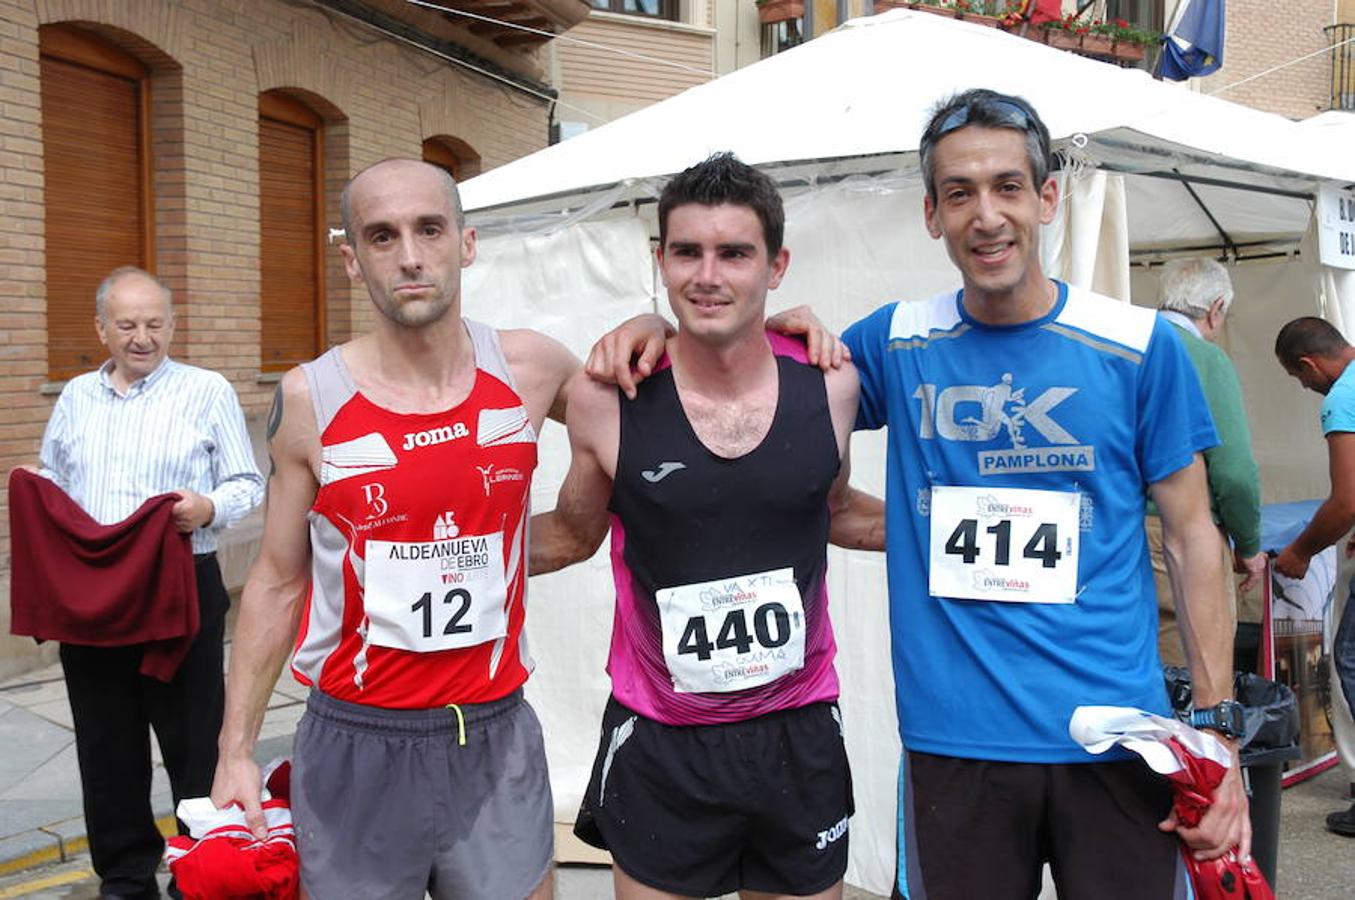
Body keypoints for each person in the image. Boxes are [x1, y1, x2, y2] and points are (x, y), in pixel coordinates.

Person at [588, 90, 1249, 899]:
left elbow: (1191, 538)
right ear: (931, 215)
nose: (987, 216)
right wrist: (652, 326)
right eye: (960, 194)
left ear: (1047, 199)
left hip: (1113, 740)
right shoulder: (891, 341)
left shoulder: (1139, 346)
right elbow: (748, 373)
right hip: (955, 744)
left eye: (1008, 187)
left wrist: (1215, 736)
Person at [530, 152, 882, 900]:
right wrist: (430, 555)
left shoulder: (833, 385)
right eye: (686, 252)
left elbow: (838, 513)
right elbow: (568, 534)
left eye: (734, 253)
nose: (707, 275)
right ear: (658, 260)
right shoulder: (607, 399)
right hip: (661, 739)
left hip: (798, 730)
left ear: (776, 265)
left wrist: (980, 527)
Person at [33, 267, 263, 900]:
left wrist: (208, 507)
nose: (143, 338)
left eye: (155, 324)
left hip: (180, 587)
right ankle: (127, 876)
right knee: (106, 747)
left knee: (196, 743)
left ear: (172, 324)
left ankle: (202, 870)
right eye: (128, 325)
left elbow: (248, 482)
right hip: (94, 596)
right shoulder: (76, 396)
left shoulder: (206, 390)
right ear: (101, 329)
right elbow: (55, 480)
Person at [1148, 258, 1264, 669]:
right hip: (1182, 530)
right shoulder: (1205, 358)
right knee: (1196, 668)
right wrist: (1248, 545)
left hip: (1115, 530)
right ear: (1216, 309)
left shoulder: (1120, 347)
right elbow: (1234, 473)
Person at [1273, 315, 1355, 836]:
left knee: (1350, 660)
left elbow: (1346, 499)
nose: (1305, 387)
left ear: (1308, 365)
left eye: (1298, 378)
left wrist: (1301, 551)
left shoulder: (1341, 398)